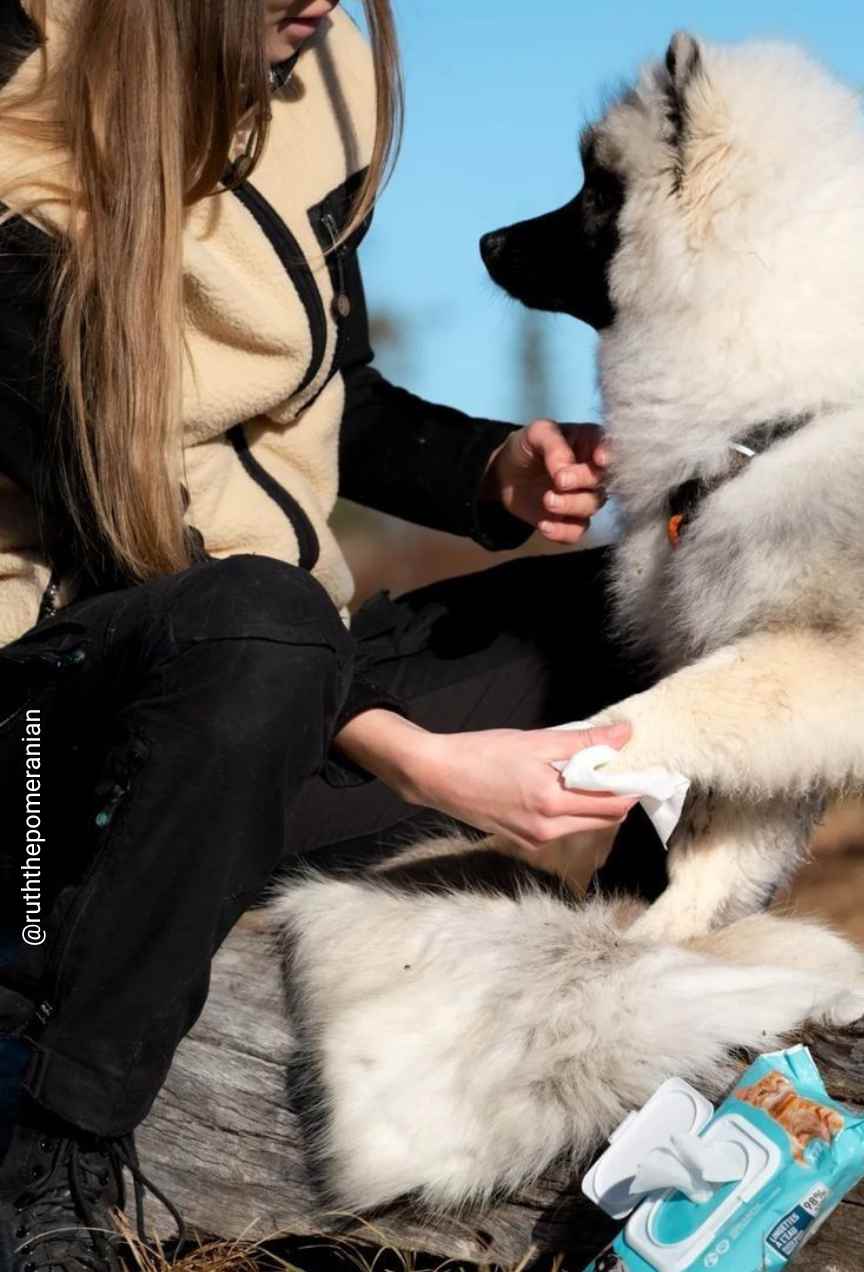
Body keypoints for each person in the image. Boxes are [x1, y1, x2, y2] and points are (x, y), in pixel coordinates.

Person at [0, 3, 662, 1268]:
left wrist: (491, 471)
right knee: (262, 630)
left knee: (666, 607)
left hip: (289, 682)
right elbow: (128, 537)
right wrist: (421, 761)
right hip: (51, 737)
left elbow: (320, 386)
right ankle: (57, 1161)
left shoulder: (317, 70)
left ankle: (642, 1021)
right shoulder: (11, 110)